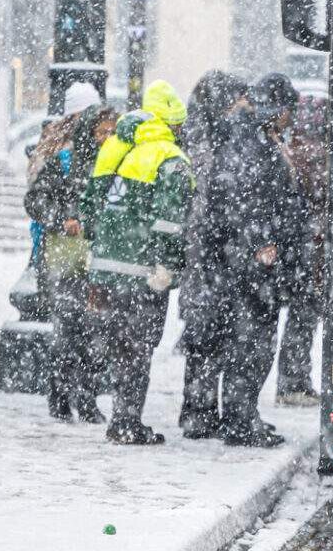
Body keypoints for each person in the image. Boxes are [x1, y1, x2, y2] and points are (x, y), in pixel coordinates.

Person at [83, 81, 191, 446]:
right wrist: (167, 266)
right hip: (142, 273)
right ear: (172, 125)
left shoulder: (116, 147)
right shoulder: (169, 158)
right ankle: (127, 422)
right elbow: (169, 221)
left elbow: (90, 205)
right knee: (138, 348)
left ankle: (119, 417)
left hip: (105, 268)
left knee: (116, 346)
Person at [24, 90, 118, 423]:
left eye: (111, 132)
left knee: (97, 333)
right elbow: (34, 201)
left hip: (99, 262)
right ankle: (62, 395)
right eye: (101, 131)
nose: (106, 137)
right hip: (66, 261)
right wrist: (62, 220)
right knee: (70, 332)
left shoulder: (115, 165)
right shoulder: (65, 161)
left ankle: (86, 397)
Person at [176, 71, 253, 441]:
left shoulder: (200, 136)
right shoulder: (208, 143)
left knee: (206, 337)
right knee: (207, 337)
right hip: (209, 258)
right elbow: (207, 204)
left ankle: (198, 410)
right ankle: (199, 412)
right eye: (236, 97)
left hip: (206, 258)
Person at [268, 84, 324, 406]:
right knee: (303, 315)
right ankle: (293, 383)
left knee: (299, 316)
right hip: (306, 247)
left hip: (296, 246)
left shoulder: (289, 149)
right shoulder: (313, 154)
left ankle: (292, 381)